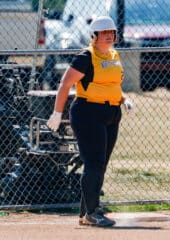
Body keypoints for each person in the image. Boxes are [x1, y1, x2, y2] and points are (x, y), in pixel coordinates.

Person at [47, 16, 134, 227]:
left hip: (111, 112)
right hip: (88, 113)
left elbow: (111, 84)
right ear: (93, 36)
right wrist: (57, 114)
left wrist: (124, 98)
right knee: (93, 163)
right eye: (103, 33)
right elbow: (65, 84)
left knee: (100, 164)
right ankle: (92, 213)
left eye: (111, 33)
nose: (108, 37)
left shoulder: (114, 55)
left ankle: (87, 212)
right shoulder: (86, 57)